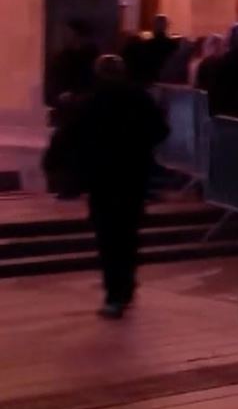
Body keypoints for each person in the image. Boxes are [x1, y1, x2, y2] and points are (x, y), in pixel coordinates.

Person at [55, 56, 168, 318]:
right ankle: (126, 286)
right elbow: (161, 130)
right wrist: (140, 145)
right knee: (129, 234)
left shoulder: (91, 101)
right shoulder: (139, 98)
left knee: (108, 237)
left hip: (102, 177)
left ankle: (114, 293)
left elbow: (71, 135)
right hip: (133, 175)